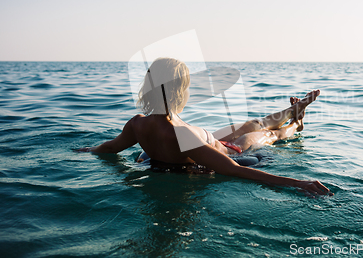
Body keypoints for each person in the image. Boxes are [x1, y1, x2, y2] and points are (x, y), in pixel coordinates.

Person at [77, 57, 331, 196]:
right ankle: (297, 124)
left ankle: (291, 110)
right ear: (180, 90)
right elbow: (233, 169)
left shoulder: (137, 124)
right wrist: (296, 183)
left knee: (249, 122)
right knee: (267, 133)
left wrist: (88, 150)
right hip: (229, 149)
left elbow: (110, 148)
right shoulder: (181, 134)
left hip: (205, 143)